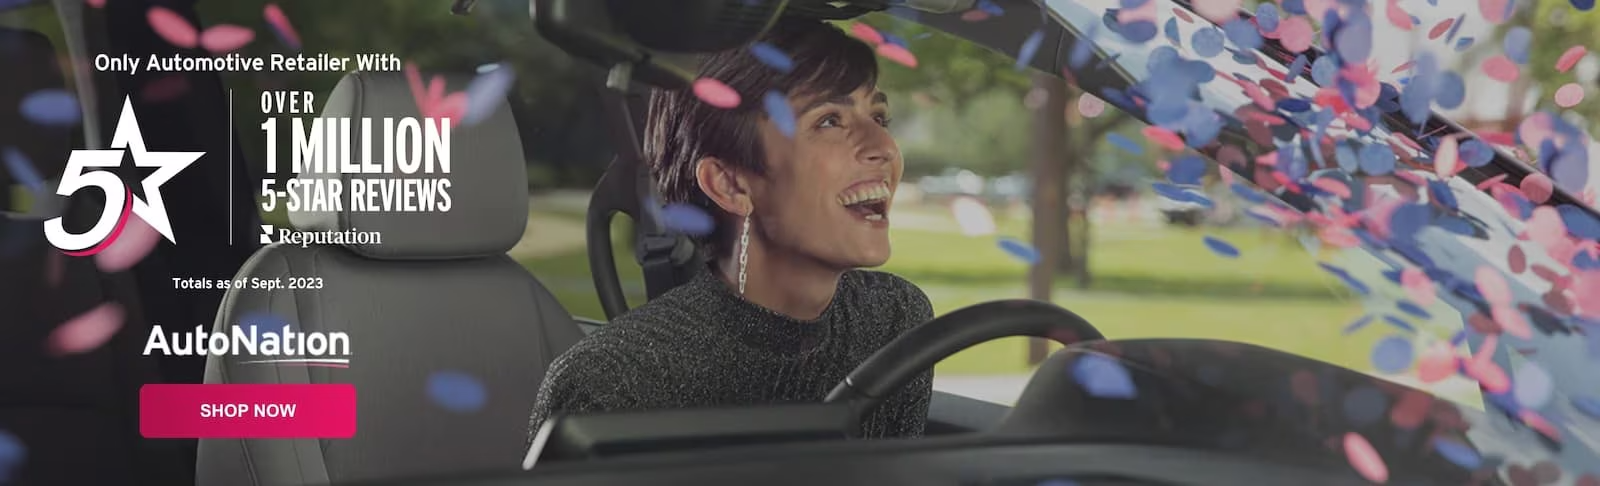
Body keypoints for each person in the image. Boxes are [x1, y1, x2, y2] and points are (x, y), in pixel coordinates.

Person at [524, 18, 934, 448]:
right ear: (730, 184)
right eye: (830, 120)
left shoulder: (896, 319)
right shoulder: (608, 383)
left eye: (879, 117)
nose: (885, 148)